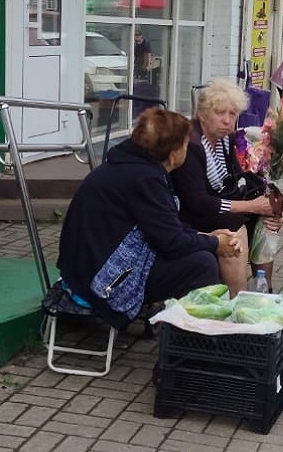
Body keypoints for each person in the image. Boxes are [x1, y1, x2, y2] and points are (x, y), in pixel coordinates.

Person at [57, 107, 242, 329]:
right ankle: (195, 339)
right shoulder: (145, 179)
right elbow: (171, 242)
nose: (188, 149)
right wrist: (214, 243)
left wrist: (207, 236)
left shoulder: (132, 166)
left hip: (86, 267)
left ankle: (193, 331)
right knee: (201, 264)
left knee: (200, 253)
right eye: (186, 145)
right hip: (101, 279)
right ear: (173, 153)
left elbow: (163, 227)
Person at [172, 78, 279, 294]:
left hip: (215, 205)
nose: (227, 121)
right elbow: (198, 201)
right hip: (188, 212)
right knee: (233, 229)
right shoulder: (191, 143)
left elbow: (237, 179)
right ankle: (235, 297)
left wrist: (271, 207)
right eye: (220, 113)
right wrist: (251, 206)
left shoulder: (225, 139)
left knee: (268, 223)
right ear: (202, 114)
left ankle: (264, 290)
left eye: (233, 114)